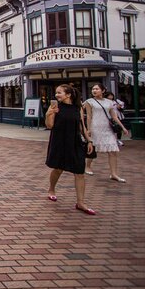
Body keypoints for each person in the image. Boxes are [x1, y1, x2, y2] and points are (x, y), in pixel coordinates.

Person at [45, 84, 96, 215]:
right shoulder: (55, 107)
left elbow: (82, 126)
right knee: (58, 168)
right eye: (56, 93)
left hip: (75, 141)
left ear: (68, 95)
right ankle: (51, 189)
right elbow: (50, 125)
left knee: (79, 172)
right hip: (59, 141)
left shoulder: (78, 108)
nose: (56, 95)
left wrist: (89, 140)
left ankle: (81, 202)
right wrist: (49, 113)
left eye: (59, 93)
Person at [83, 83, 129, 182]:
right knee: (92, 149)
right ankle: (87, 166)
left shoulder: (109, 102)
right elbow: (89, 116)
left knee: (113, 150)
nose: (94, 91)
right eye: (93, 89)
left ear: (103, 91)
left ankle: (114, 174)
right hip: (95, 127)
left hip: (107, 128)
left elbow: (114, 116)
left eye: (97, 89)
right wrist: (88, 129)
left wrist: (123, 127)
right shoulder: (89, 102)